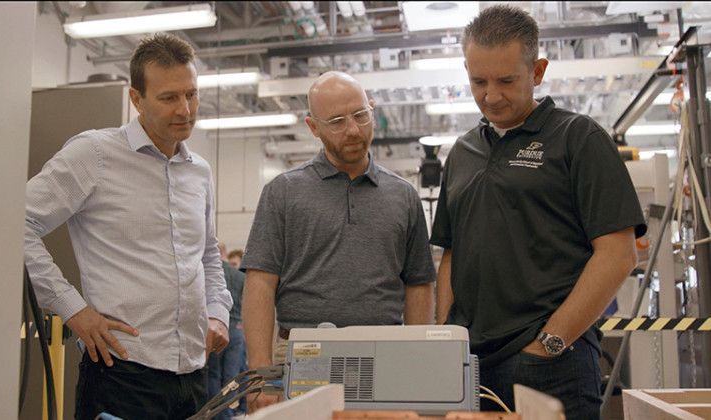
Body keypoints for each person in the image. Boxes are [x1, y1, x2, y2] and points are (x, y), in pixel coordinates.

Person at [429, 5, 647, 419]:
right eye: (479, 81)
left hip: (552, 360)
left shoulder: (577, 138)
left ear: (538, 70)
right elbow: (452, 256)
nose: (491, 96)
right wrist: (447, 341)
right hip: (471, 362)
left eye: (507, 81)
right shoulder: (462, 152)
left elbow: (619, 254)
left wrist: (551, 342)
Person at [24, 33, 233, 420]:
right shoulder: (96, 154)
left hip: (192, 375)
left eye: (191, 94)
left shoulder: (199, 172)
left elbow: (206, 254)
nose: (185, 109)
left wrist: (219, 311)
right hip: (122, 373)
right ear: (137, 99)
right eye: (169, 98)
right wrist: (72, 309)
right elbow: (17, 223)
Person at [240, 71, 437, 413]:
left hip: (385, 354)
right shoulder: (283, 192)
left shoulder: (403, 196)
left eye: (361, 115)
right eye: (336, 121)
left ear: (372, 110)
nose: (353, 130)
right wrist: (262, 375)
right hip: (303, 357)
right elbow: (260, 284)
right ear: (313, 127)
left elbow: (418, 283)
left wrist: (417, 358)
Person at [206, 242, 247, 419]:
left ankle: (218, 415)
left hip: (215, 327)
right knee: (231, 377)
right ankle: (230, 413)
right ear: (225, 253)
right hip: (236, 330)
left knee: (213, 374)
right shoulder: (239, 276)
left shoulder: (208, 276)